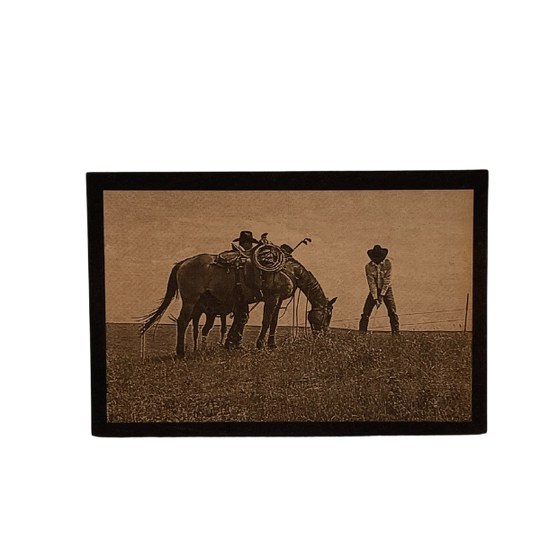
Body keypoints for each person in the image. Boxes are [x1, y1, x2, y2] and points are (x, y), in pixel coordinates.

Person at [225, 231, 260, 349]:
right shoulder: (240, 254)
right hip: (238, 291)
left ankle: (231, 342)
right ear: (244, 243)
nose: (250, 245)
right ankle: (234, 342)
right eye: (249, 243)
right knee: (242, 316)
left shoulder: (246, 253)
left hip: (240, 291)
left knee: (241, 317)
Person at [359, 244, 400, 334]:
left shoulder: (388, 263)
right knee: (366, 312)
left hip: (387, 289)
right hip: (374, 290)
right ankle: (361, 335)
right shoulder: (368, 267)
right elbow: (371, 283)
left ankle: (396, 334)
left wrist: (381, 295)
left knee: (392, 312)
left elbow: (387, 280)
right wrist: (375, 297)